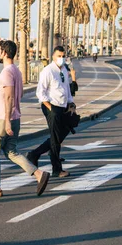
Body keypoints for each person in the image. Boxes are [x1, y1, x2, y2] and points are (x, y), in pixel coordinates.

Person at [0, 40, 50, 198]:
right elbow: (20, 94)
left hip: (4, 119)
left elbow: (10, 97)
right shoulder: (17, 71)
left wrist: (7, 120)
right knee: (11, 152)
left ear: (4, 52)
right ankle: (39, 174)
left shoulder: (6, 72)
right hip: (15, 117)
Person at [26, 46, 76, 178]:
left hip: (64, 106)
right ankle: (56, 169)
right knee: (55, 139)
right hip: (52, 107)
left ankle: (34, 154)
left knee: (59, 136)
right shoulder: (48, 71)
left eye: (63, 56)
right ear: (53, 56)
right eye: (59, 56)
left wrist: (71, 103)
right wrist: (49, 107)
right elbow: (40, 92)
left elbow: (67, 88)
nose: (61, 58)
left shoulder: (64, 70)